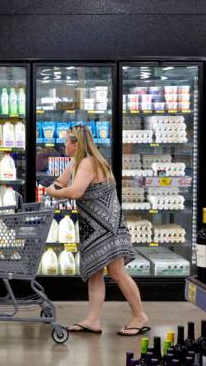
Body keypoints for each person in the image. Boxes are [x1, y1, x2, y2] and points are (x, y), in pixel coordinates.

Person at [45, 125, 149, 336]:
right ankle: (93, 320)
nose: (63, 144)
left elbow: (75, 191)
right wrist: (52, 188)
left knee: (117, 272)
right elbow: (61, 183)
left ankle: (140, 316)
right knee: (95, 273)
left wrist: (52, 193)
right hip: (95, 226)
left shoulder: (88, 163)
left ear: (75, 145)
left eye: (66, 141)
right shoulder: (77, 161)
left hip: (106, 226)